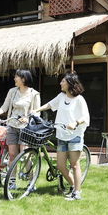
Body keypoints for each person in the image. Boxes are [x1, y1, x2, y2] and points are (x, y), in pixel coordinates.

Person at [35, 72, 89, 201]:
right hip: (62, 135)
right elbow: (50, 105)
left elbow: (85, 117)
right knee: (60, 166)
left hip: (75, 135)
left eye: (63, 81)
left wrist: (75, 123)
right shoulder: (61, 96)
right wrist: (36, 110)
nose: (60, 83)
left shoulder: (79, 99)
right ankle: (74, 186)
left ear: (70, 83)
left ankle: (77, 192)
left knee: (74, 165)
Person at [0, 69, 41, 165]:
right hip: (12, 125)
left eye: (16, 77)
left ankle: (29, 176)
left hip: (26, 128)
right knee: (12, 154)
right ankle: (12, 179)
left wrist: (27, 118)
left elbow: (37, 113)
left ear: (24, 79)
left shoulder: (34, 94)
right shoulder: (12, 91)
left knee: (24, 155)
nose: (14, 79)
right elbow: (4, 107)